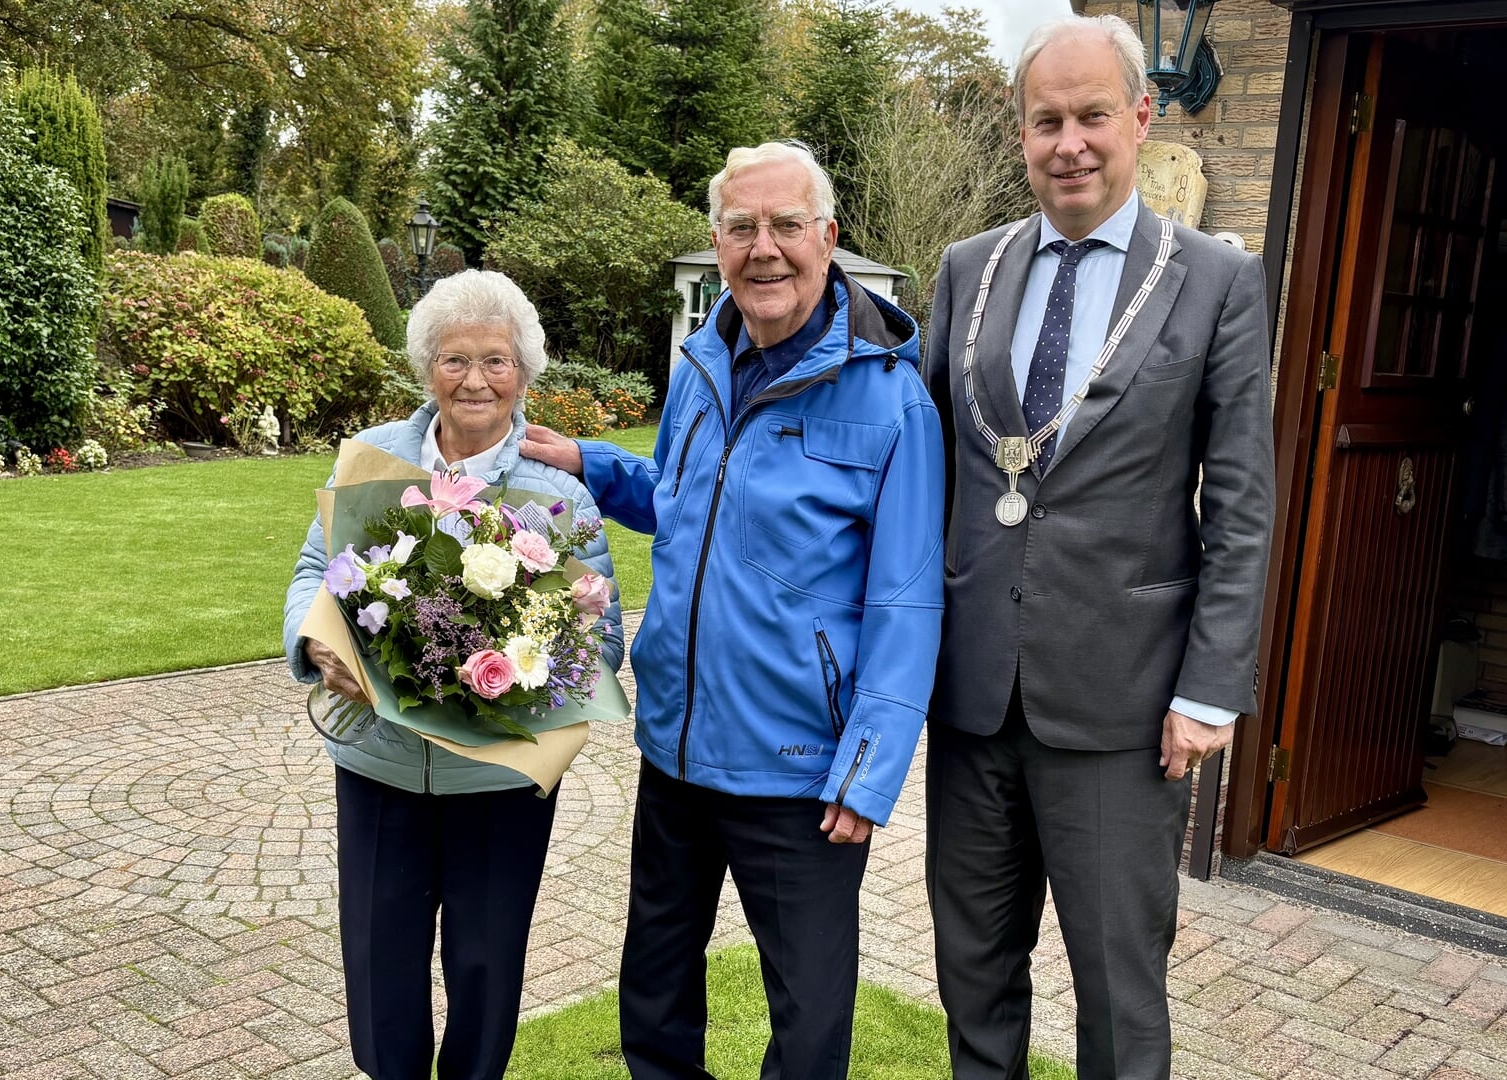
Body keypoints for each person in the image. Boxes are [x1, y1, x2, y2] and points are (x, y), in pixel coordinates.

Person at [521, 141, 945, 1079]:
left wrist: (866, 773)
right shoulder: (702, 365)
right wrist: (590, 464)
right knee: (655, 999)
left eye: (786, 225)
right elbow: (683, 503)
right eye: (741, 226)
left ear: (827, 237)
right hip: (673, 750)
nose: (765, 248)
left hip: (800, 774)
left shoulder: (891, 401)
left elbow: (908, 602)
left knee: (806, 1025)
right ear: (716, 242)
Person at [920, 16, 1273, 1080]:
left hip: (1124, 709)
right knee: (972, 975)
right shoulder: (964, 267)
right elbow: (921, 466)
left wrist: (1208, 689)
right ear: (1018, 133)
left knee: (1118, 992)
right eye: (1044, 120)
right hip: (974, 693)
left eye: (1088, 116)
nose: (1066, 141)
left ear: (1138, 115)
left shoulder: (1213, 278)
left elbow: (1243, 499)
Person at [280, 269, 625, 1080]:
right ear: (425, 367)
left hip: (498, 778)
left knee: (484, 961)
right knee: (380, 960)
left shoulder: (556, 490)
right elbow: (310, 567)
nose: (475, 380)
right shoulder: (372, 460)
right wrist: (314, 641)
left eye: (496, 361)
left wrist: (563, 643)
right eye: (454, 359)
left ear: (525, 373)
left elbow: (601, 637)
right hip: (378, 760)